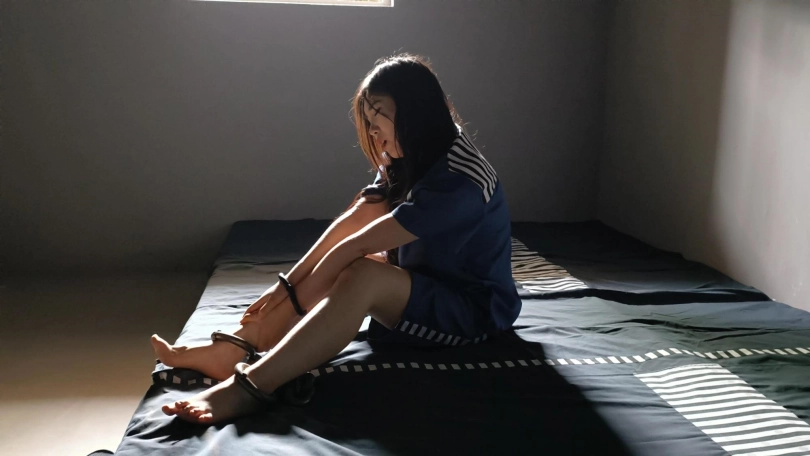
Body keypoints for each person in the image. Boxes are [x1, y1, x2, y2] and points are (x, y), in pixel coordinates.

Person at [150, 53, 521, 424]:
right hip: (424, 283)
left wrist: (288, 297)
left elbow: (355, 246)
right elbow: (355, 221)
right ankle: (239, 346)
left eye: (379, 119)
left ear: (415, 113)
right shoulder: (417, 146)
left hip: (472, 313)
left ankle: (250, 387)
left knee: (362, 273)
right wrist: (285, 286)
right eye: (369, 123)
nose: (373, 133)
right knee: (353, 267)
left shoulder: (458, 180)